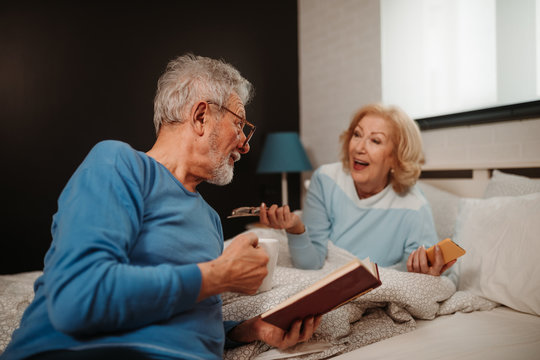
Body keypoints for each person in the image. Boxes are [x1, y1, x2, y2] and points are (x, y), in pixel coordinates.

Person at [1, 54, 320, 360]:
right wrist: (216, 275)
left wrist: (245, 330)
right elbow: (77, 297)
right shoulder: (119, 164)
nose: (245, 143)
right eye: (240, 125)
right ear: (201, 116)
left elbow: (174, 312)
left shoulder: (210, 219)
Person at [259, 103, 455, 276]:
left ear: (396, 157)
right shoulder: (325, 180)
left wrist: (426, 272)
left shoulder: (414, 207)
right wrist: (296, 229)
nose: (359, 147)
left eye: (375, 140)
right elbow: (310, 264)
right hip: (326, 279)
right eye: (357, 134)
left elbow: (415, 274)